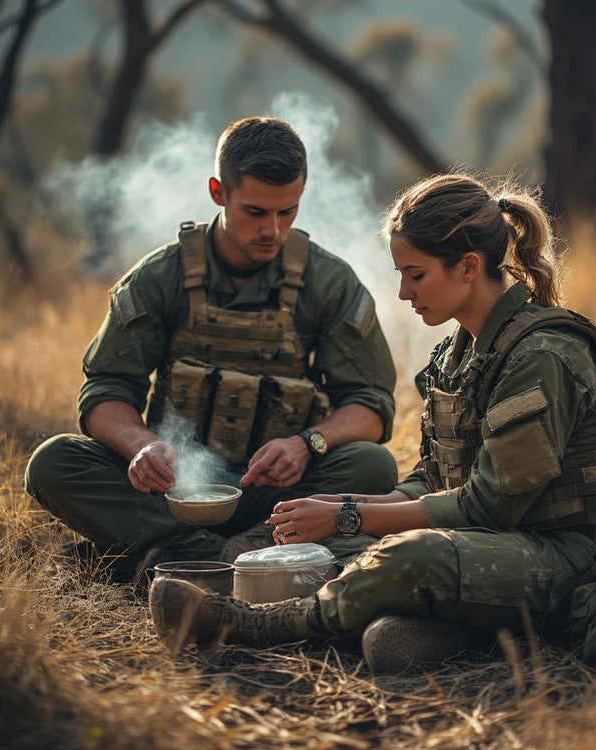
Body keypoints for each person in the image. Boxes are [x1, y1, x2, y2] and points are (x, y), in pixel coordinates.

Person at [148, 169, 596, 673]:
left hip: (568, 555)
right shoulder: (459, 352)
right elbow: (433, 479)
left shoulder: (541, 355)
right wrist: (339, 508)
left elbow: (489, 505)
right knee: (341, 547)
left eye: (415, 274)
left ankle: (252, 625)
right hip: (494, 545)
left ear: (467, 266)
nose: (403, 293)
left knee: (406, 557)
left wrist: (351, 512)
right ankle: (440, 627)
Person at [24, 116, 398, 584]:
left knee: (372, 465)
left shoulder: (330, 282)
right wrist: (142, 448)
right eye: (256, 212)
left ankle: (171, 554)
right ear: (218, 192)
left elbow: (372, 404)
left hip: (275, 493)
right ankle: (228, 558)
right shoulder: (162, 276)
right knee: (53, 462)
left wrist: (306, 444)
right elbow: (105, 392)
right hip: (172, 490)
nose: (274, 230)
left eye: (289, 212)